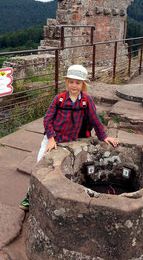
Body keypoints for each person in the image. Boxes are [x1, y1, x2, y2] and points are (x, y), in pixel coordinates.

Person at [19, 64, 118, 211]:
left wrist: (104, 136)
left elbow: (94, 119)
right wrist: (51, 138)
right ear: (67, 82)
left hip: (71, 139)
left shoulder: (86, 101)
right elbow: (47, 120)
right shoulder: (59, 99)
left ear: (82, 84)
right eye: (71, 82)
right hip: (53, 138)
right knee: (40, 164)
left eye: (78, 83)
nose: (74, 85)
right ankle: (30, 195)